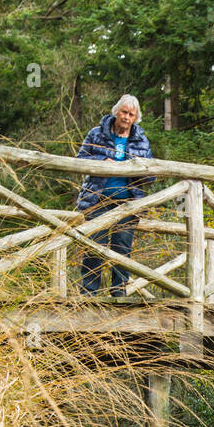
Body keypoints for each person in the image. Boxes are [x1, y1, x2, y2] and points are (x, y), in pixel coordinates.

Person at [74, 95, 154, 296]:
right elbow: (80, 160)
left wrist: (135, 168)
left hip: (128, 203)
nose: (127, 117)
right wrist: (103, 161)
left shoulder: (141, 141)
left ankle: (119, 294)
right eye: (124, 112)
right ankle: (89, 294)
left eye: (131, 114)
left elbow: (151, 175)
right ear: (116, 112)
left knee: (122, 249)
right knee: (94, 246)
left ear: (135, 118)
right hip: (97, 199)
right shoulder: (96, 134)